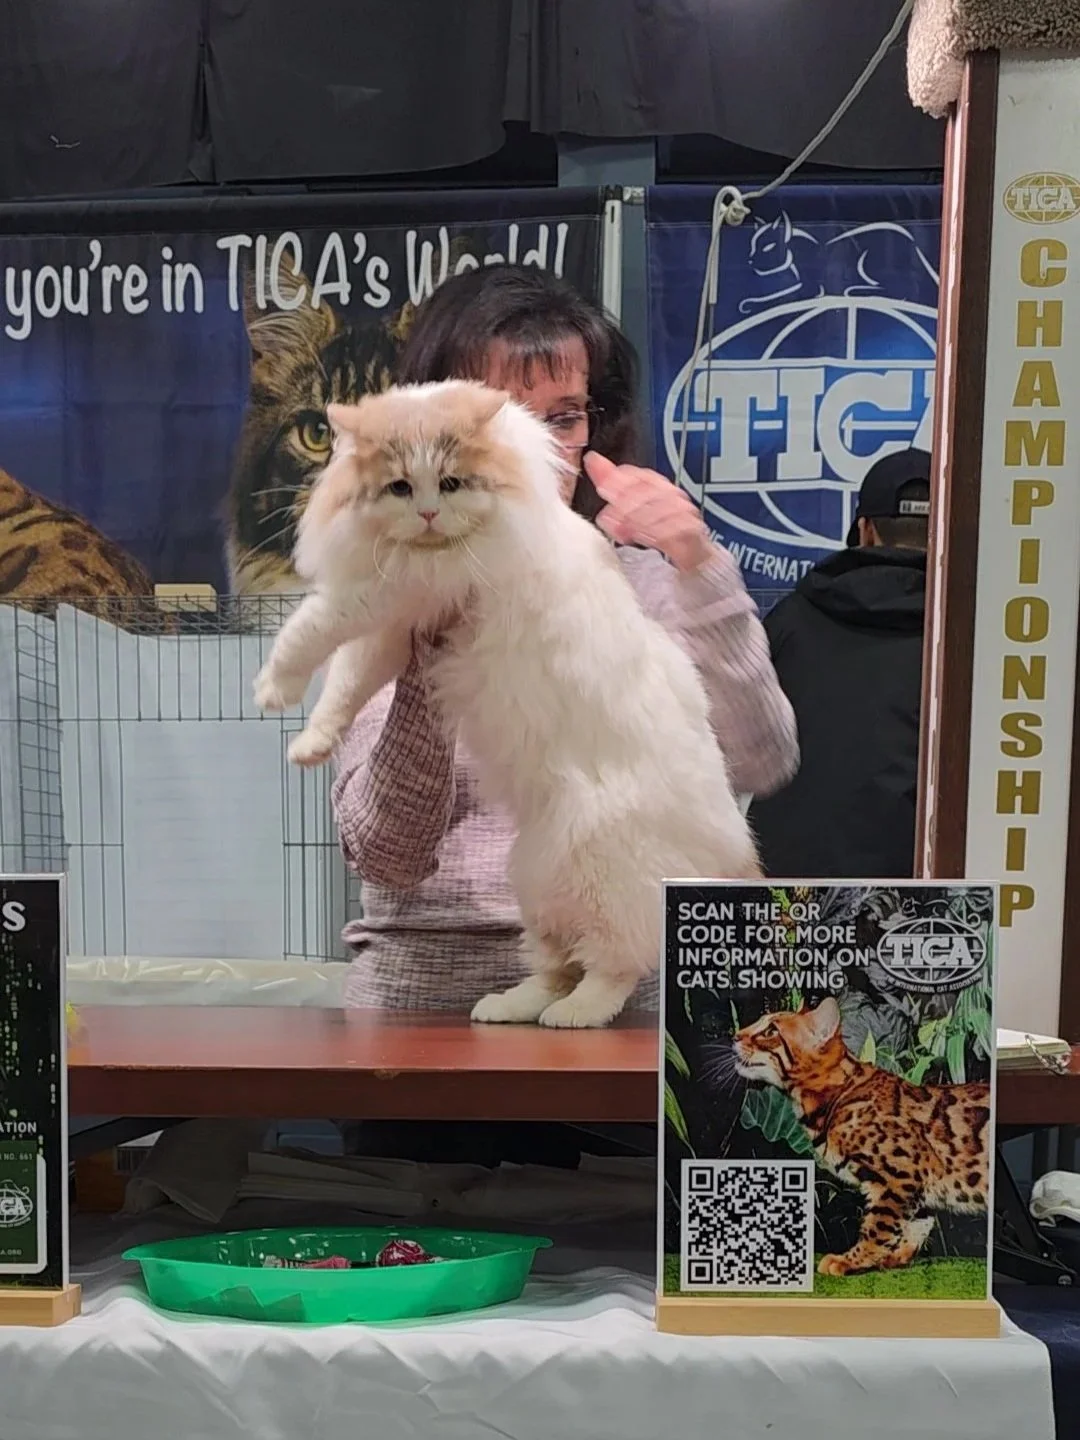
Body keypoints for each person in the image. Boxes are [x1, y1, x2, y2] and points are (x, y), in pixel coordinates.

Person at [332, 265, 799, 1012]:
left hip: (634, 992)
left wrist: (700, 568)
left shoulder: (642, 580)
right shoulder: (388, 593)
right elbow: (385, 849)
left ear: (594, 428)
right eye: (502, 419)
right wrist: (423, 652)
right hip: (428, 1001)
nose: (538, 451)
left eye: (563, 417)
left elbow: (761, 759)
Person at [747, 448, 931, 882]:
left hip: (786, 898)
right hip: (918, 905)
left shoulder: (789, 619)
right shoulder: (972, 642)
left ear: (865, 531)